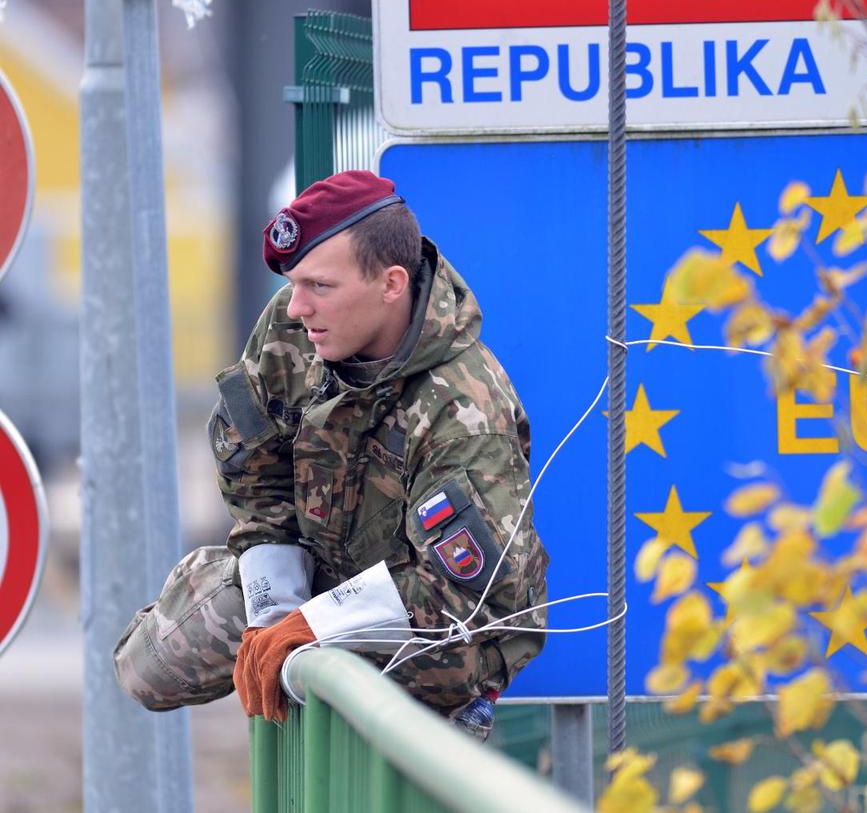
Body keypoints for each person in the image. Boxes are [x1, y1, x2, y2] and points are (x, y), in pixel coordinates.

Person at [113, 171, 549, 740]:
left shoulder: (463, 410)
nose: (297, 307)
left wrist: (314, 627)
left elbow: (465, 604)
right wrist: (275, 608)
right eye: (294, 283)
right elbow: (254, 475)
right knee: (149, 670)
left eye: (319, 286)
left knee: (398, 705)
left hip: (439, 627)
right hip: (318, 575)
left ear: (391, 284)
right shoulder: (293, 328)